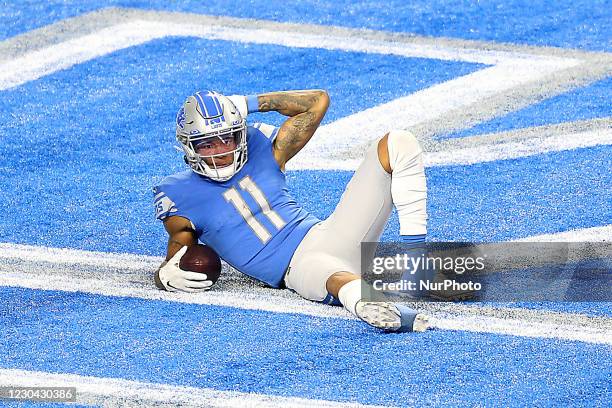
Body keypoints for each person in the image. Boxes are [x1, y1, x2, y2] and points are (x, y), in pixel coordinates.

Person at [153, 90, 429, 332]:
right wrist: (165, 276)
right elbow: (177, 259)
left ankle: (417, 259)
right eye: (207, 143)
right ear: (189, 147)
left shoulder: (261, 147)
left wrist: (248, 103)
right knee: (334, 278)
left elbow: (317, 102)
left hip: (329, 232)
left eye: (228, 138)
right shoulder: (178, 194)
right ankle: (369, 304)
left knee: (398, 142)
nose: (221, 150)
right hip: (295, 268)